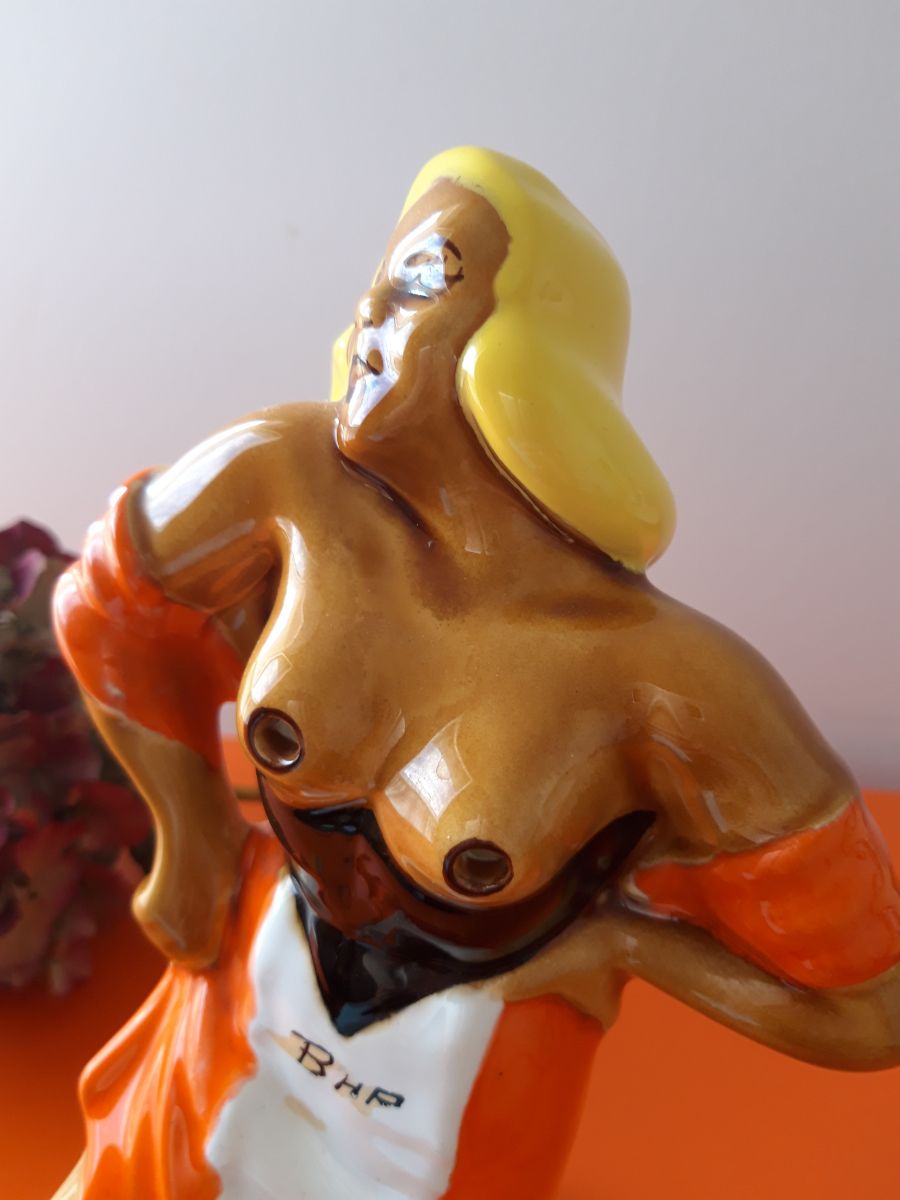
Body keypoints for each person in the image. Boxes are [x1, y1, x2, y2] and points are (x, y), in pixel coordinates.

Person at [52, 148, 900, 1200]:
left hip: (465, 1076)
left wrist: (634, 946)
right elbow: (110, 603)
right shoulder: (287, 478)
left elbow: (869, 1009)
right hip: (248, 987)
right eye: (377, 278)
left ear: (522, 351)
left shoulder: (670, 686)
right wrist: (190, 837)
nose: (369, 311)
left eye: (421, 281)